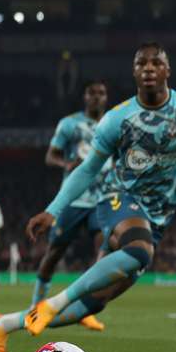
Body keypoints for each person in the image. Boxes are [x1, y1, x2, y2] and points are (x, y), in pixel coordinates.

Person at [0, 43, 176, 352]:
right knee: (139, 251)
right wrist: (53, 210)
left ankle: (3, 324)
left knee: (94, 302)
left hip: (158, 217)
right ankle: (52, 301)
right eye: (142, 63)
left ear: (168, 70)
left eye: (157, 63)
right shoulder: (117, 118)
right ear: (135, 72)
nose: (149, 68)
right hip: (117, 200)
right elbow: (87, 170)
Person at [31, 81, 110, 331]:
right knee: (54, 253)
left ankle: (85, 309)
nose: (97, 97)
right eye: (92, 93)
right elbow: (50, 155)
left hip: (103, 199)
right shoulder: (69, 124)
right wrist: (66, 164)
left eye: (101, 93)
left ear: (106, 97)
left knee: (103, 253)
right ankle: (36, 306)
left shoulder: (114, 123)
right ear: (85, 97)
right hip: (74, 200)